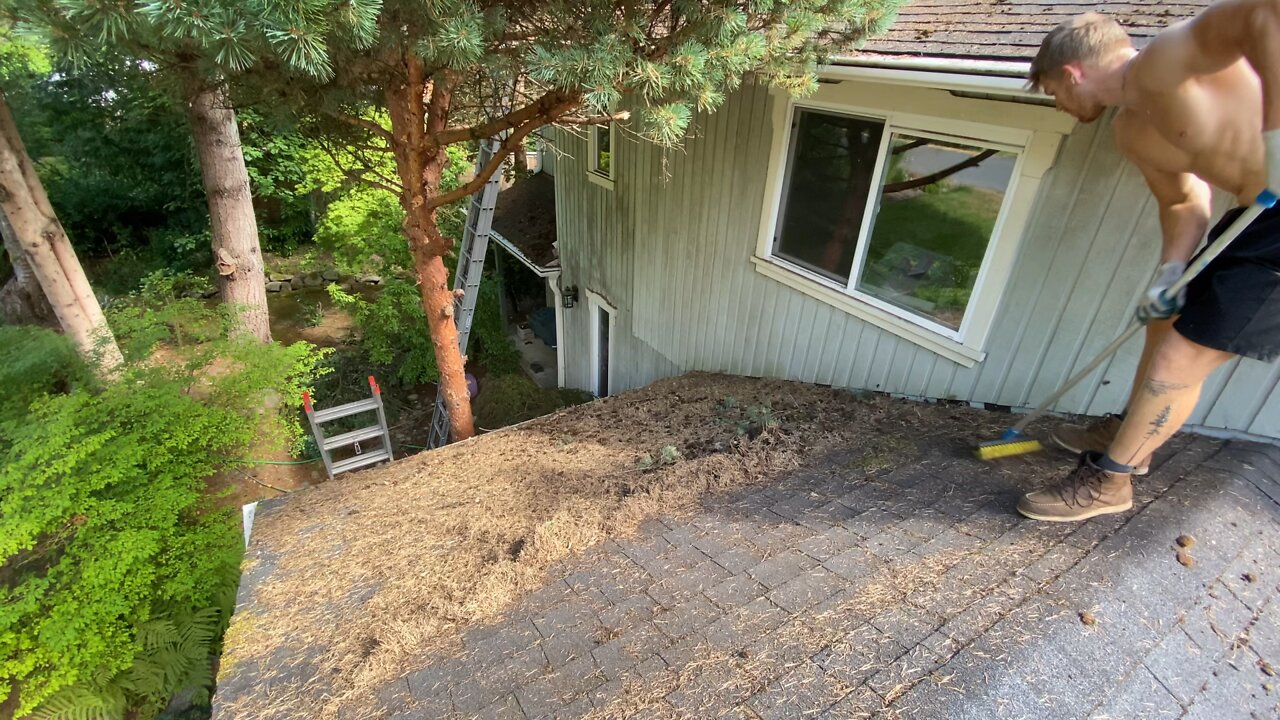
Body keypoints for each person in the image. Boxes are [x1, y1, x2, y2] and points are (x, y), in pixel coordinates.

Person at [1015, 1, 1280, 522]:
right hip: (1258, 213)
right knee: (1165, 323)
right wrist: (1170, 273)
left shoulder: (1165, 62)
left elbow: (1262, 14)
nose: (1059, 104)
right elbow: (1182, 203)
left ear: (1072, 73)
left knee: (1181, 358)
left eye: (1053, 92)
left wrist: (1275, 134)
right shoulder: (1133, 132)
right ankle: (1133, 432)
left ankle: (1110, 483)